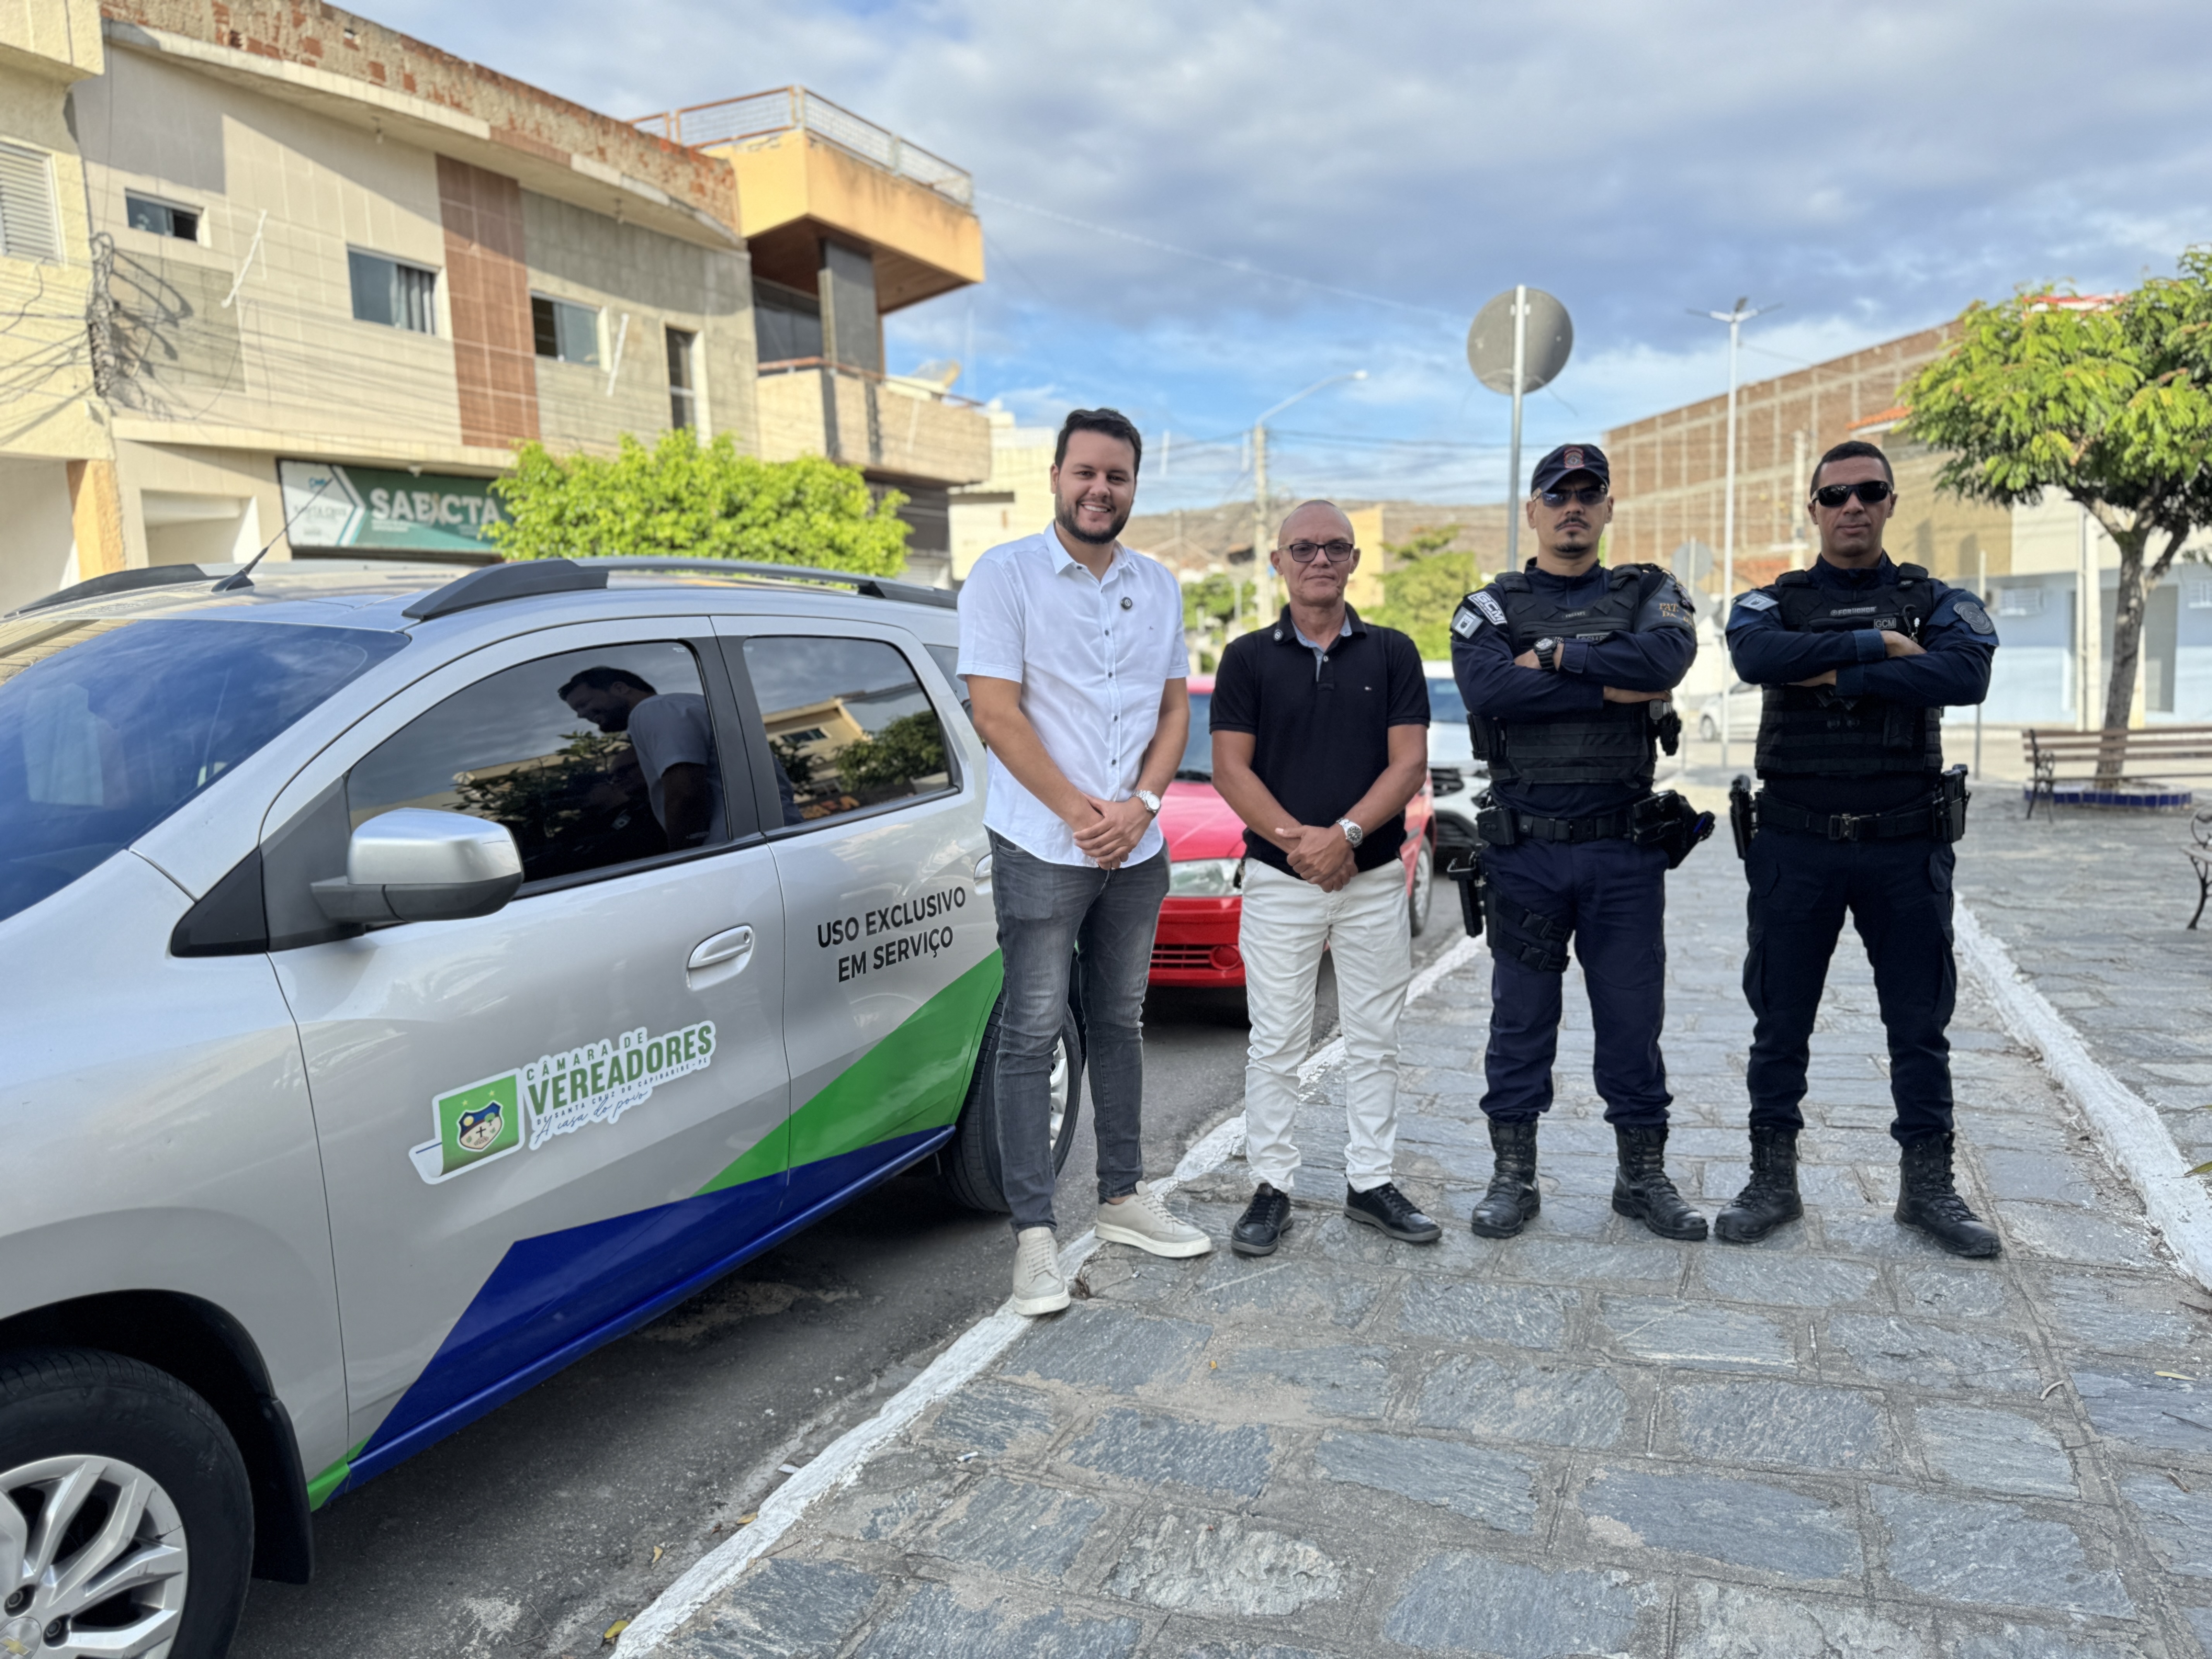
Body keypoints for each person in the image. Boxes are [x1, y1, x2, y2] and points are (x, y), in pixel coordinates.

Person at [957, 407, 1212, 1317]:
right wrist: (1080, 814)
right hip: (1042, 844)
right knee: (1031, 1033)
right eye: (1086, 473)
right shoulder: (1007, 576)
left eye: (1118, 476)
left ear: (1134, 486)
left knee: (1121, 1019)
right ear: (1056, 477)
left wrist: (1139, 807)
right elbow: (997, 714)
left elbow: (1174, 712)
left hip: (1135, 847)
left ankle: (1122, 1199)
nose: (1100, 490)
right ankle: (1034, 1239)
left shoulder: (1159, 585)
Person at [1718, 439, 2000, 1256]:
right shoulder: (1772, 602)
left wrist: (1833, 676)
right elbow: (1755, 657)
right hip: (1796, 846)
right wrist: (1878, 650)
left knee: (1919, 1025)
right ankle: (1773, 1180)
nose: (1852, 508)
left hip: (1904, 847)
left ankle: (1928, 1187)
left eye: (1869, 493)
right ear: (1812, 508)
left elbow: (1966, 674)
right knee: (1780, 1021)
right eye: (1835, 495)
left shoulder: (1934, 599)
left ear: (1889, 504)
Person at [1450, 443, 1707, 1241]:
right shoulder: (1490, 606)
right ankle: (1513, 1179)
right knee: (1521, 1021)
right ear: (1531, 510)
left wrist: (1558, 657)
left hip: (1623, 852)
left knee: (1632, 1021)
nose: (1573, 507)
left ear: (1606, 508)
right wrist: (1615, 685)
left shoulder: (1647, 591)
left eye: (1588, 494)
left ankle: (1641, 1178)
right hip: (1526, 853)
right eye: (1556, 495)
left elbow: (1669, 657)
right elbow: (1490, 687)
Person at [1209, 500, 1437, 1257]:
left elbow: (1408, 763)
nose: (1320, 559)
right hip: (1279, 883)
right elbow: (1230, 769)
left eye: (1335, 547)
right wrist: (1302, 845)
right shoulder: (1245, 659)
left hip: (1372, 881)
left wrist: (1344, 837)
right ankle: (1271, 1187)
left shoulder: (1393, 653)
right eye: (1303, 548)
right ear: (1277, 561)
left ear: (1353, 561)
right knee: (1276, 1041)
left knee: (1374, 1040)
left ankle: (1371, 1183)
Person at [558, 666, 722, 850]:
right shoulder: (682, 705)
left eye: (584, 704)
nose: (581, 715)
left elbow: (685, 794)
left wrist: (681, 858)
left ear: (620, 689)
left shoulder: (652, 710)